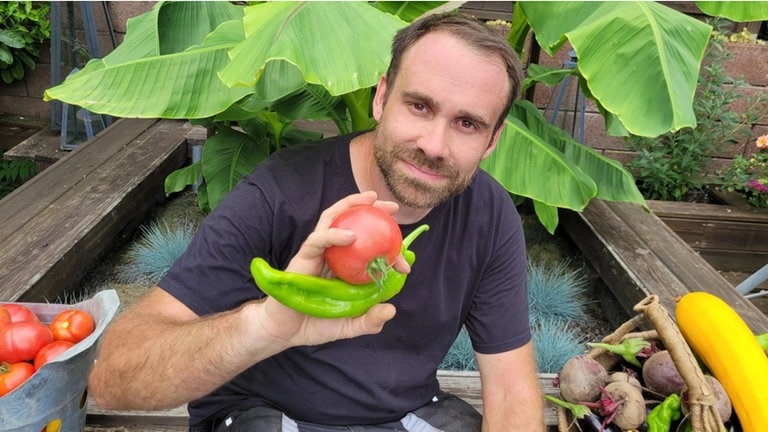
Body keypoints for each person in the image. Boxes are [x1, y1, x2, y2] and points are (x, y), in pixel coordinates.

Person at [89, 12, 545, 432]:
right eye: (420, 106)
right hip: (266, 412)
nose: (434, 144)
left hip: (403, 415)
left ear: (492, 140)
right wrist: (267, 325)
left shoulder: (489, 214)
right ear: (382, 96)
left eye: (467, 123)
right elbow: (113, 379)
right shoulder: (280, 192)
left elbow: (510, 389)